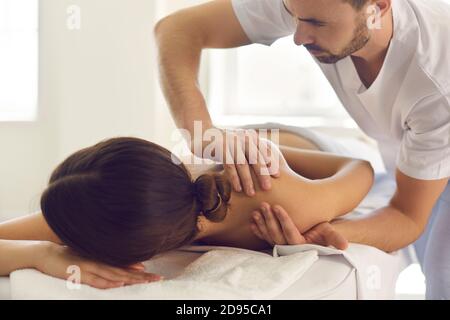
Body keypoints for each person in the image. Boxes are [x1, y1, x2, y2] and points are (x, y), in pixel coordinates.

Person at [154, 0, 450, 299]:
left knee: (442, 279)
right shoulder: (309, 5)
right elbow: (177, 29)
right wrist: (200, 131)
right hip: (396, 150)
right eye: (293, 17)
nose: (298, 37)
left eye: (317, 24)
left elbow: (407, 217)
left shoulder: (438, 82)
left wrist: (324, 235)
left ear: (378, 7)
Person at [0, 129, 373, 288]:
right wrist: (41, 253)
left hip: (298, 142)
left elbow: (360, 170)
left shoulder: (275, 195)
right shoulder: (110, 203)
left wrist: (266, 147)